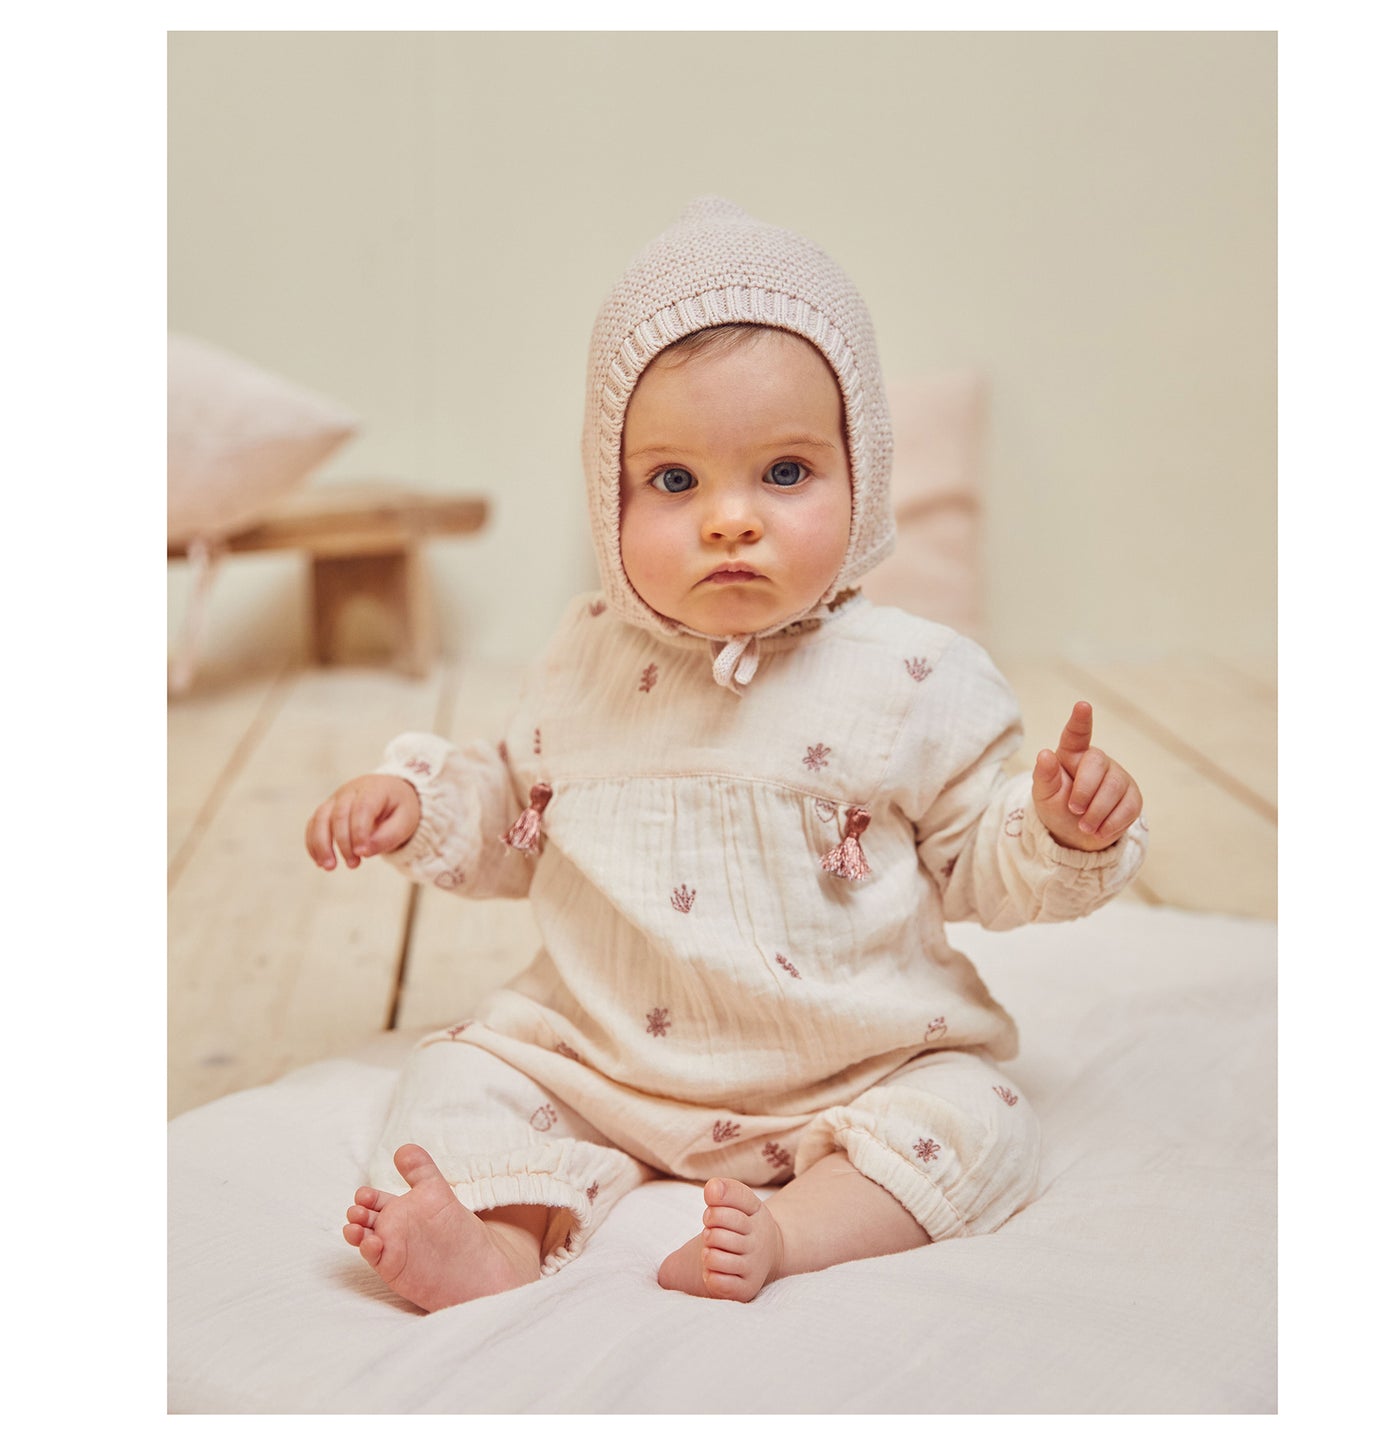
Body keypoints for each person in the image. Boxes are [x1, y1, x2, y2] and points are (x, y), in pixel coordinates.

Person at [306, 197, 1146, 1312]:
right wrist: (419, 804)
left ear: (862, 475)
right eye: (674, 481)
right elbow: (516, 814)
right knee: (457, 1071)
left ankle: (797, 1228)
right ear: (608, 496)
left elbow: (978, 862)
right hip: (600, 1061)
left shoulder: (913, 676)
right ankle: (496, 1240)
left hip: (852, 1066)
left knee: (979, 1115)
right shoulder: (582, 659)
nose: (729, 521)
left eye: (784, 473)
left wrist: (1056, 830)